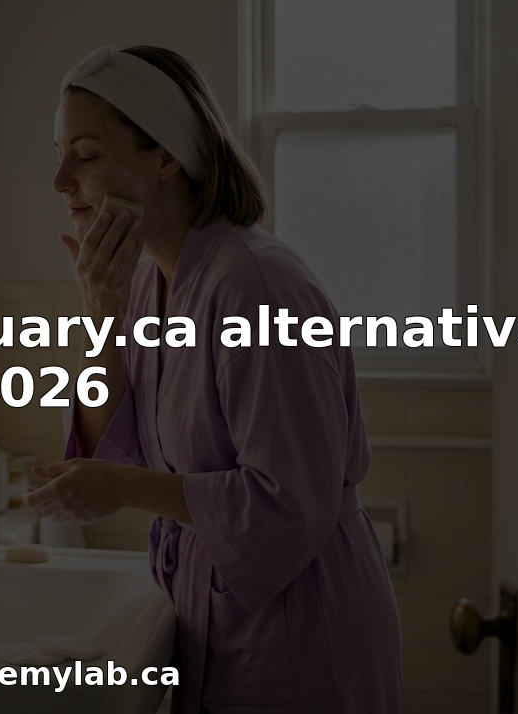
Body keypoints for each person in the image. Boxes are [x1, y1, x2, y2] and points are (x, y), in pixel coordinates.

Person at [24, 45, 402, 712]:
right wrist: (101, 313)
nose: (59, 180)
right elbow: (105, 441)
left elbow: (288, 503)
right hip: (219, 609)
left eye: (83, 153)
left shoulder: (257, 285)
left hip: (300, 623)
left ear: (166, 155)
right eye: (59, 154)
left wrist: (123, 488)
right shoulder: (146, 278)